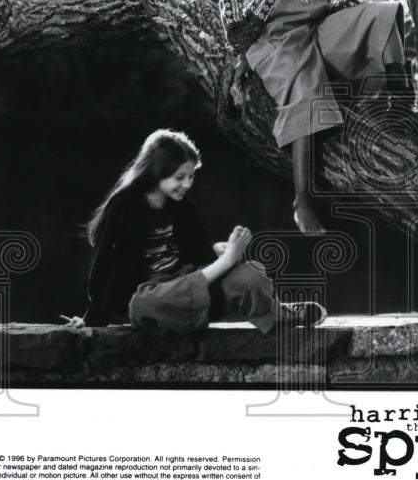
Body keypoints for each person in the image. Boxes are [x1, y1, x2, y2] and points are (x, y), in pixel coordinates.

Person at [218, 0, 415, 237]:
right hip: (275, 39)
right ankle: (303, 199)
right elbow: (229, 2)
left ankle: (401, 100)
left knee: (382, 13)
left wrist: (350, 1)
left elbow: (321, 12)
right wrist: (242, 49)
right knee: (306, 86)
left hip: (313, 34)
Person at [77, 129, 326, 335]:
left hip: (191, 284)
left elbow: (196, 249)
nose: (187, 184)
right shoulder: (124, 205)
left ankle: (278, 312)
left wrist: (216, 250)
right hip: (156, 297)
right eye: (179, 177)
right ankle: (245, 298)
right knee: (145, 303)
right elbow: (104, 264)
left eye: (191, 176)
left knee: (249, 274)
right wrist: (93, 319)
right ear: (156, 171)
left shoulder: (181, 206)